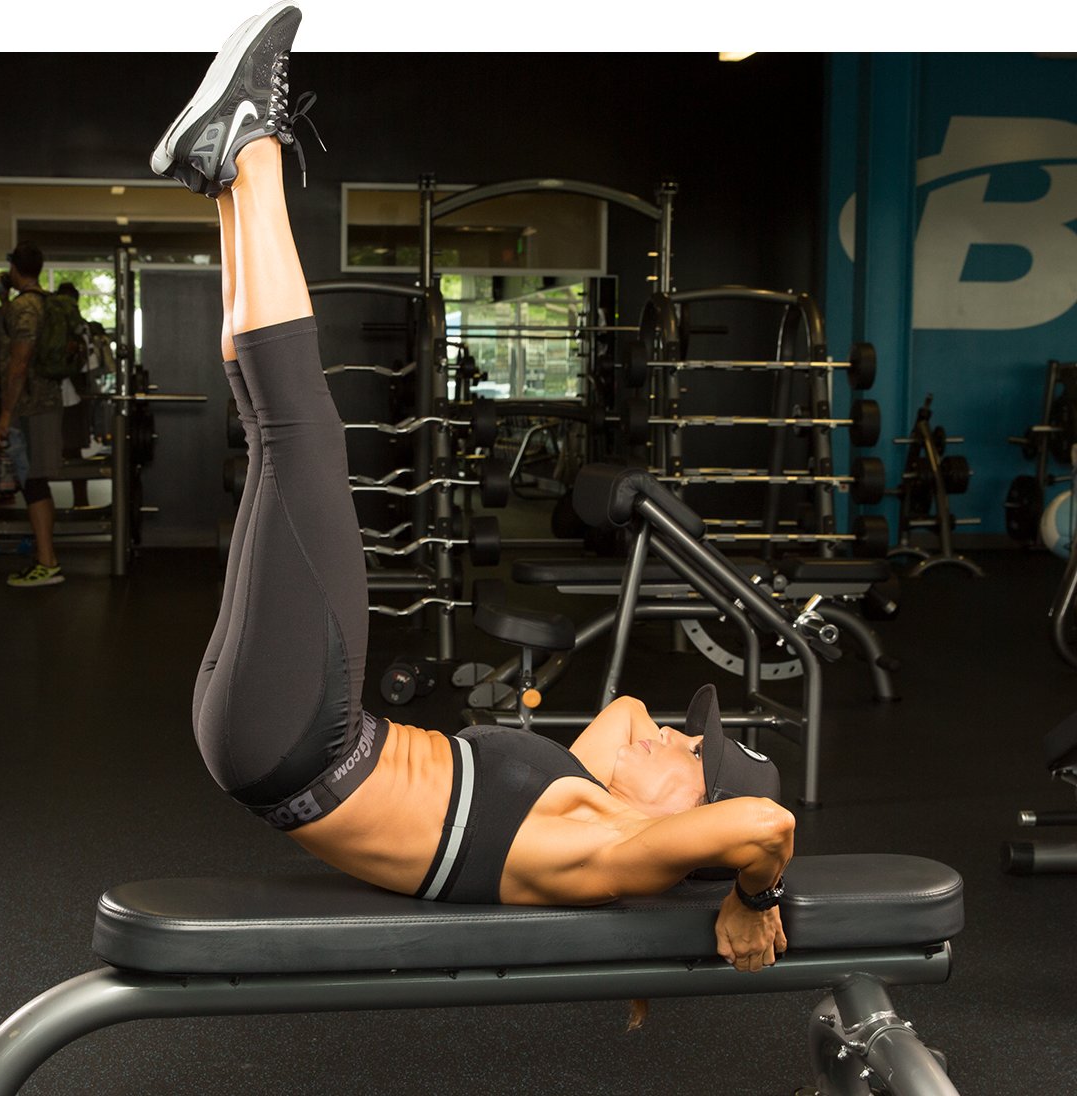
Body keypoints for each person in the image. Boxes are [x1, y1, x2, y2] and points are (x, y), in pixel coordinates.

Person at [156, 4, 793, 974]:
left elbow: (764, 825)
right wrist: (660, 769)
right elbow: (625, 717)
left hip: (302, 741)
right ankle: (230, 172)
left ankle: (253, 148)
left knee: (303, 435)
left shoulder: (610, 847)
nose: (667, 731)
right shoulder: (591, 794)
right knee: (275, 432)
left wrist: (756, 901)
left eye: (689, 752)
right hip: (280, 732)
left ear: (690, 818)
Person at [0, 242, 66, 587]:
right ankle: (46, 559)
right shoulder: (42, 303)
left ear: (15, 270)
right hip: (46, 403)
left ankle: (47, 562)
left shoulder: (25, 307)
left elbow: (18, 364)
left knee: (33, 482)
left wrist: (4, 415)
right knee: (37, 482)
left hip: (29, 408)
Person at [55, 281, 93, 508]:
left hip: (47, 395)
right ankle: (81, 501)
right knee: (74, 452)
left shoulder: (49, 324)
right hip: (74, 397)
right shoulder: (81, 328)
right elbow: (89, 366)